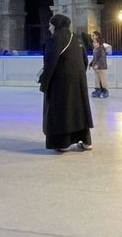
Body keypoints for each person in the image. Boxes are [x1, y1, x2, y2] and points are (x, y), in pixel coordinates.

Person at [39, 14, 93, 152]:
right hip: (79, 82)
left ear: (56, 25)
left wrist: (44, 83)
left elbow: (50, 63)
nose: (49, 27)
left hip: (60, 83)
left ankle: (63, 143)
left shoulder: (54, 39)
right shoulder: (77, 38)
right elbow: (85, 61)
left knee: (63, 111)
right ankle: (86, 140)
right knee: (79, 110)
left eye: (51, 24)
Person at [89, 34, 110, 99]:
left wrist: (97, 65)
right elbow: (94, 58)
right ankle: (98, 90)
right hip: (96, 68)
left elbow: (102, 58)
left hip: (102, 68)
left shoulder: (101, 49)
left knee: (103, 80)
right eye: (93, 42)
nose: (93, 43)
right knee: (97, 80)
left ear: (98, 43)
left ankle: (105, 91)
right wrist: (91, 63)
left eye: (95, 42)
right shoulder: (95, 50)